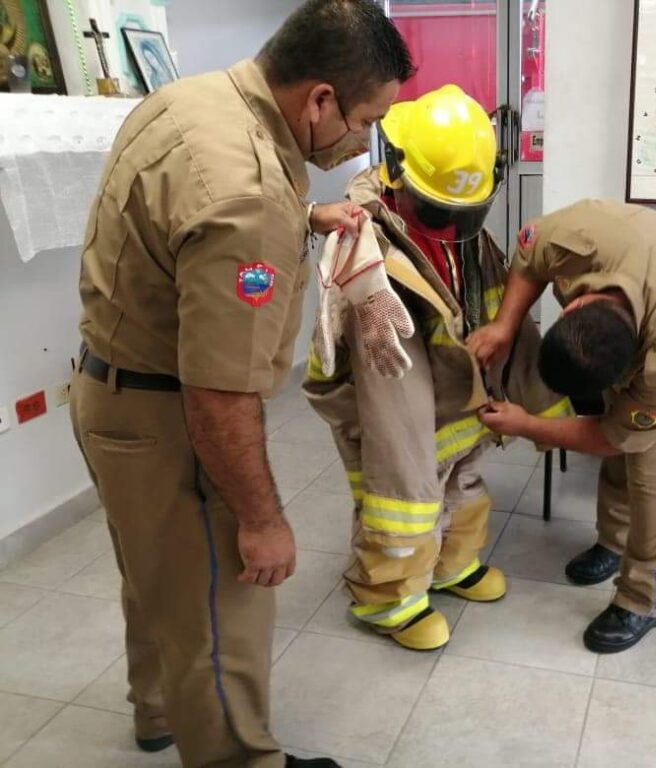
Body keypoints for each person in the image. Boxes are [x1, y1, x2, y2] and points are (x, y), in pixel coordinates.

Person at [69, 2, 413, 766]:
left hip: (108, 397)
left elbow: (201, 220)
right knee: (225, 605)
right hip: (171, 422)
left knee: (158, 576)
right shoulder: (248, 191)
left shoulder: (192, 99)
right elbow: (218, 392)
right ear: (318, 99)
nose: (365, 141)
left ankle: (160, 713)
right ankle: (239, 757)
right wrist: (262, 518)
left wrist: (303, 215)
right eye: (366, 120)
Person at [303, 85, 572, 651]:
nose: (450, 223)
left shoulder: (466, 237)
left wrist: (541, 404)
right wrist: (409, 451)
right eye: (437, 210)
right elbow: (385, 382)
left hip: (456, 397)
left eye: (461, 212)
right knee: (402, 497)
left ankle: (452, 565)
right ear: (397, 173)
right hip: (387, 405)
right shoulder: (366, 251)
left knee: (463, 479)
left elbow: (504, 314)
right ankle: (388, 599)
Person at [467, 201, 656, 653]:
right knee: (625, 434)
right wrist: (504, 326)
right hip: (649, 277)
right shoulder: (579, 238)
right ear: (571, 306)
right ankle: (615, 541)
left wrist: (528, 425)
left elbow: (611, 436)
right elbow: (528, 254)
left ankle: (645, 598)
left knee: (654, 462)